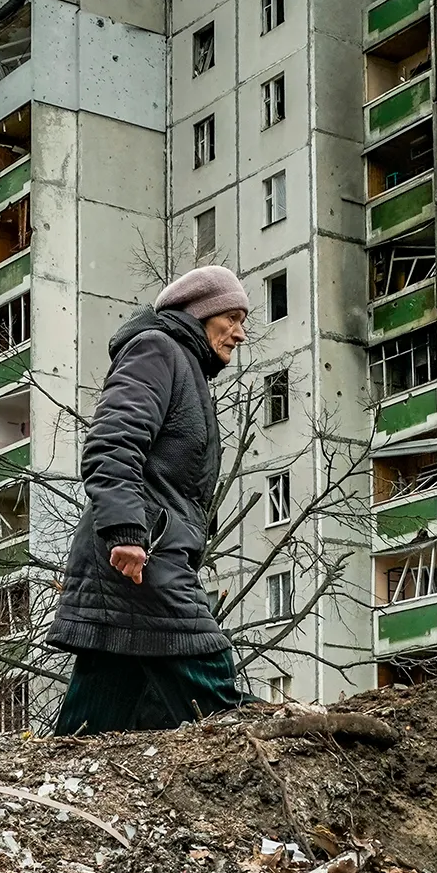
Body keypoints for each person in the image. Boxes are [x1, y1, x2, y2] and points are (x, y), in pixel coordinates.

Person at [46, 265, 252, 733]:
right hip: (140, 560)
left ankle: (49, 776)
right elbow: (112, 444)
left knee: (93, 725)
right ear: (200, 312)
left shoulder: (187, 369)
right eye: (232, 318)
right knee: (212, 681)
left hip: (142, 559)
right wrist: (126, 532)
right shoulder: (157, 350)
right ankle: (301, 749)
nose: (240, 334)